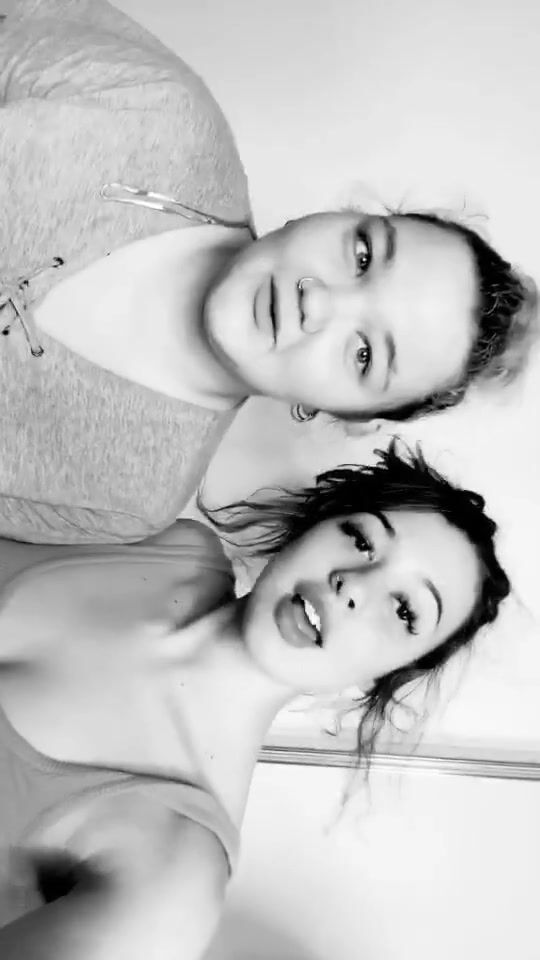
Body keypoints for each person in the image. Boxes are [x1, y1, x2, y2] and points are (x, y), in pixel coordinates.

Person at [0, 1, 536, 547]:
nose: (318, 303)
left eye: (364, 354)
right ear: (338, 215)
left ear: (352, 414)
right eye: (363, 256)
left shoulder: (128, 496)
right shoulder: (158, 111)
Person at [0, 442, 510, 958]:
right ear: (307, 530)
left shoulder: (177, 868)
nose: (352, 586)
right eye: (361, 539)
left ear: (390, 674)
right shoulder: (178, 546)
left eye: (404, 610)